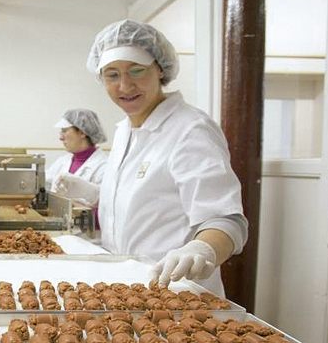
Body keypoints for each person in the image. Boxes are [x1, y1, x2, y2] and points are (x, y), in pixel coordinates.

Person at [55, 20, 248, 296]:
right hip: (126, 288)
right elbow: (144, 202)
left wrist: (202, 248)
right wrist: (95, 194)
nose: (125, 85)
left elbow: (226, 220)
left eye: (137, 70)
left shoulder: (190, 130)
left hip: (177, 292)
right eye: (112, 75)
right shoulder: (125, 130)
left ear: (160, 69)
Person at [47, 108, 108, 198]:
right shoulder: (62, 161)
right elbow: (46, 182)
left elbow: (102, 200)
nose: (61, 137)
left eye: (64, 131)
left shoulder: (104, 166)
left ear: (82, 132)